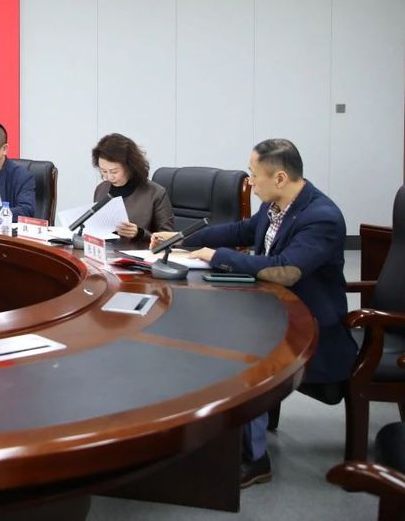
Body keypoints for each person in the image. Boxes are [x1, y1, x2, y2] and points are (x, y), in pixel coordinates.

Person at [151, 138, 356, 489]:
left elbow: (285, 270)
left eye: (253, 174)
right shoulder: (275, 206)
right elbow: (240, 231)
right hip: (272, 308)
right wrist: (181, 238)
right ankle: (207, 436)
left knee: (243, 354)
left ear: (279, 177)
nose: (249, 182)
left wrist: (216, 257)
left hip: (309, 325)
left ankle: (254, 458)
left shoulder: (321, 217)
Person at [91, 133, 174, 240]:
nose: (109, 177)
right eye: (104, 171)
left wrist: (140, 234)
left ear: (130, 166)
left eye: (114, 171)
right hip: (104, 248)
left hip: (139, 249)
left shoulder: (156, 193)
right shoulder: (101, 189)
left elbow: (171, 239)